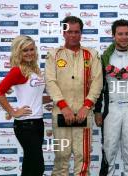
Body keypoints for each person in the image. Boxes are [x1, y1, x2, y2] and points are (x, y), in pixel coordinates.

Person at [45, 16, 103, 176]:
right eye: (69, 32)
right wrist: (64, 107)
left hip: (83, 113)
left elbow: (97, 82)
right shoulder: (54, 55)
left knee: (82, 157)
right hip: (61, 113)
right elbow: (50, 82)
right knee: (61, 156)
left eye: (77, 32)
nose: (73, 35)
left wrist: (87, 106)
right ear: (63, 33)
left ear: (81, 33)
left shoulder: (91, 54)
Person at [94, 19, 128, 176]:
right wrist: (97, 111)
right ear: (113, 35)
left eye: (127, 34)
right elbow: (98, 86)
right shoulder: (104, 59)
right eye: (120, 34)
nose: (124, 37)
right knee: (109, 148)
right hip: (112, 108)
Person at [0, 35, 45, 176]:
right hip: (25, 125)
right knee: (37, 166)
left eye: (31, 49)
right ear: (18, 52)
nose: (29, 53)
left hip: (38, 122)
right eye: (24, 50)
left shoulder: (35, 70)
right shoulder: (17, 71)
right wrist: (13, 111)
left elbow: (35, 96)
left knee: (30, 165)